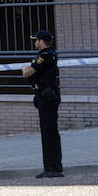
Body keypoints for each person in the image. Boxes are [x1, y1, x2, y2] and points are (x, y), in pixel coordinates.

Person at [23, 29, 62, 178]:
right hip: (43, 96)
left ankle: (55, 168)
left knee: (50, 132)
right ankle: (49, 168)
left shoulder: (46, 56)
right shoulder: (42, 56)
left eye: (36, 40)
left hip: (48, 98)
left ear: (41, 41)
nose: (34, 42)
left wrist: (24, 69)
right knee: (46, 133)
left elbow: (28, 72)